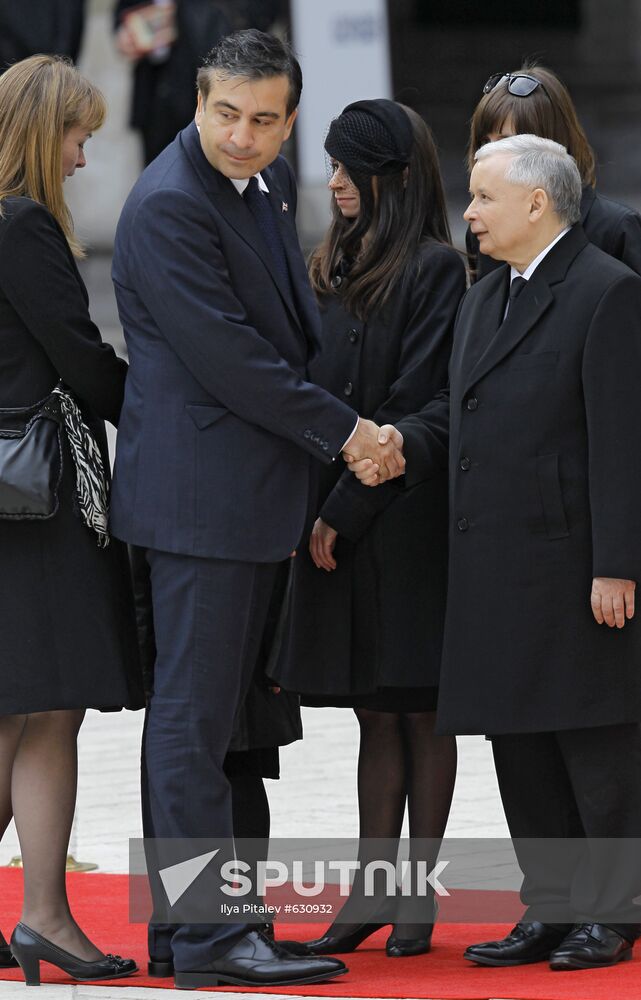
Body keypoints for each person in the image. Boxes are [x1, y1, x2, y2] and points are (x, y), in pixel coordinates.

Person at [109, 28, 402, 990]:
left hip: (250, 501)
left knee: (226, 730)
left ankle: (198, 929)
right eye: (225, 114)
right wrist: (350, 435)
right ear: (196, 100)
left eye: (265, 119)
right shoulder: (165, 205)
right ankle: (205, 941)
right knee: (193, 728)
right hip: (198, 508)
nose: (242, 135)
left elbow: (294, 330)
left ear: (289, 120)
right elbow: (234, 360)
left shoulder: (264, 187)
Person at [349, 134, 641, 972]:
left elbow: (622, 444)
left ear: (536, 204)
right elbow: (455, 414)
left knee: (595, 746)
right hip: (495, 565)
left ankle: (613, 912)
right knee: (520, 745)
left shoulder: (606, 292)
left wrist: (617, 563)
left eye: (480, 197)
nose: (466, 212)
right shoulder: (484, 299)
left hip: (575, 565)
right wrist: (398, 442)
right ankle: (550, 907)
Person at [274, 99, 465, 958]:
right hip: (340, 523)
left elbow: (413, 405)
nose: (336, 180)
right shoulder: (335, 259)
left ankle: (415, 897)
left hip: (405, 524)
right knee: (370, 714)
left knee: (417, 709)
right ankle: (369, 887)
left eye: (350, 167)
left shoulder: (433, 268)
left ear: (390, 176)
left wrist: (341, 513)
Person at [0, 55, 142, 986]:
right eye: (78, 134)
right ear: (39, 134)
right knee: (34, 712)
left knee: (34, 711)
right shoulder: (21, 225)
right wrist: (177, 420)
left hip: (19, 497)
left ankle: (46, 916)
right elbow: (81, 359)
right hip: (35, 503)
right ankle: (46, 917)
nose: (86, 155)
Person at [466, 64, 641, 279]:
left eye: (507, 141)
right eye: (484, 142)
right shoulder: (484, 230)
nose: (490, 153)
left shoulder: (614, 230)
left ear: (551, 144)